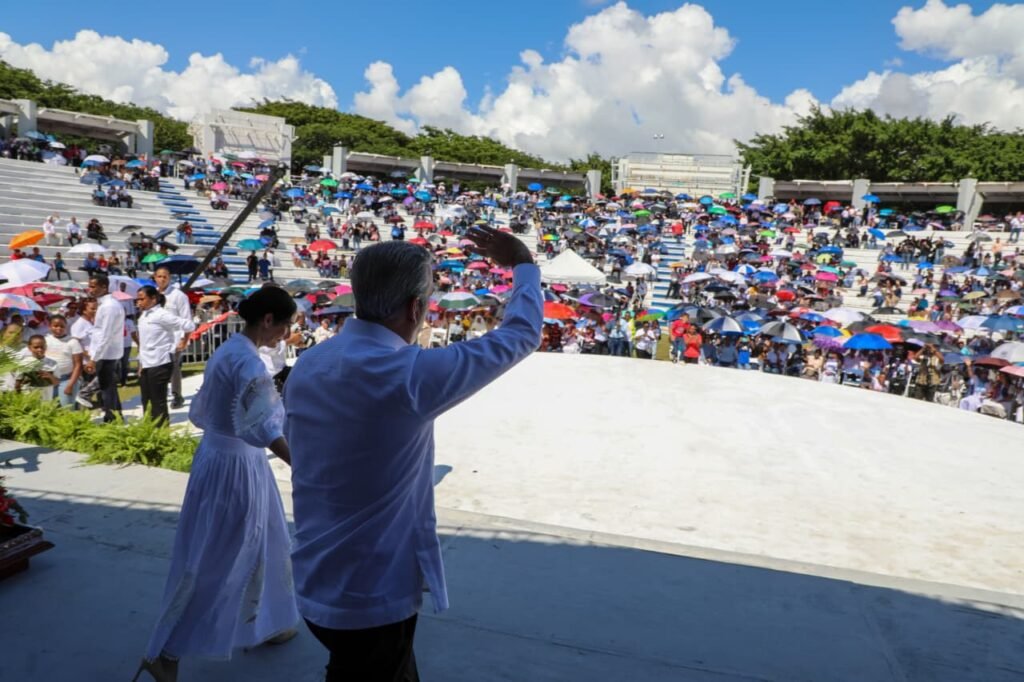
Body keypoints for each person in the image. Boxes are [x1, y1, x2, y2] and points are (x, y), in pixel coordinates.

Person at [285, 228, 542, 681]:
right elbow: (520, 335)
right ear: (415, 308)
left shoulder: (313, 362)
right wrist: (523, 264)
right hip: (372, 592)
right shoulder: (408, 375)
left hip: (316, 578)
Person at [136, 287, 300, 682]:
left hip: (223, 458)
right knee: (223, 558)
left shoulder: (231, 351)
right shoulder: (249, 364)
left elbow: (204, 411)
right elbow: (263, 426)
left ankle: (267, 621)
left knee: (268, 542)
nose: (286, 333)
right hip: (235, 467)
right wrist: (302, 464)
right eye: (285, 325)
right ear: (267, 320)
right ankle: (167, 651)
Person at [135, 286, 196, 425]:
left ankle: (161, 430)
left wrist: (181, 340)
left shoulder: (162, 314)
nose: (139, 301)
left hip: (160, 361)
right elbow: (144, 343)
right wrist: (141, 363)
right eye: (138, 298)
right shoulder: (143, 315)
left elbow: (188, 325)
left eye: (142, 298)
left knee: (158, 400)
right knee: (146, 399)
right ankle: (148, 427)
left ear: (153, 299)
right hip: (146, 363)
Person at [84, 275, 125, 422]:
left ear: (104, 287)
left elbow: (105, 336)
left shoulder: (109, 307)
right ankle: (116, 416)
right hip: (105, 352)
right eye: (90, 286)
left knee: (106, 388)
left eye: (94, 286)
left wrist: (94, 358)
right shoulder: (105, 305)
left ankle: (111, 418)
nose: (91, 289)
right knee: (109, 387)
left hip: (106, 353)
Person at [154, 266, 193, 409]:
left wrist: (184, 339)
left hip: (175, 337)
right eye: (159, 276)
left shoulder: (178, 296)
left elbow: (186, 319)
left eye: (165, 276)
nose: (162, 279)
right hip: (158, 338)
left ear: (169, 278)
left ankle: (177, 394)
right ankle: (161, 393)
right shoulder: (153, 295)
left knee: (174, 367)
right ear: (154, 277)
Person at [45, 314, 84, 409]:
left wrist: (70, 384)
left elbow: (78, 365)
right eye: (55, 326)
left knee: (66, 408)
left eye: (62, 326)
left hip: (66, 379)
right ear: (50, 326)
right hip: (49, 379)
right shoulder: (46, 340)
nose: (59, 328)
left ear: (66, 327)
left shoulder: (72, 342)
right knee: (51, 408)